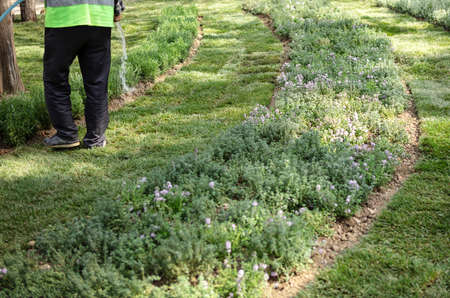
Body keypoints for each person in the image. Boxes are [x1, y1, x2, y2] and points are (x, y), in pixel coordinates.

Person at [43, 0, 125, 149]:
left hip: (64, 18)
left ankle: (66, 134)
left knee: (55, 78)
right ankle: (96, 137)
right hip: (100, 17)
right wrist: (117, 9)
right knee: (97, 81)